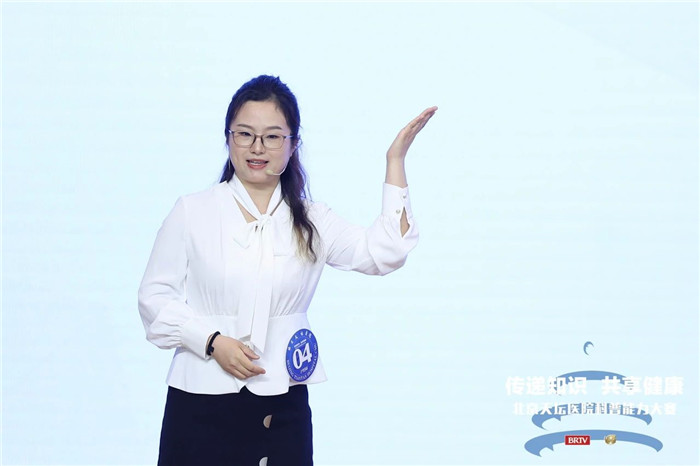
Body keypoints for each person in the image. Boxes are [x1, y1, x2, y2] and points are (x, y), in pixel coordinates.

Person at [138, 75, 436, 465]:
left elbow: (386, 253)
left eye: (272, 137)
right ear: (228, 138)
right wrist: (211, 341)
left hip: (283, 409)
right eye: (245, 134)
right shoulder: (192, 211)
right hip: (200, 402)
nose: (257, 147)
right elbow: (154, 299)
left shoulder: (313, 220)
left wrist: (395, 161)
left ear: (293, 144)